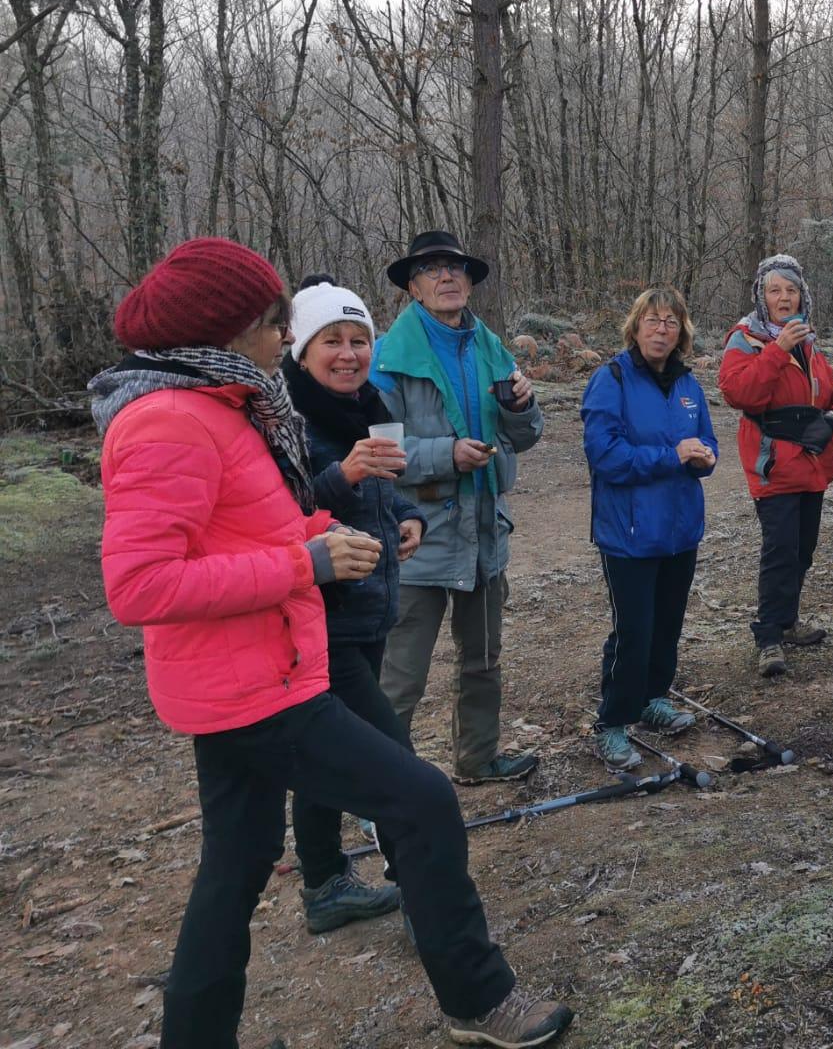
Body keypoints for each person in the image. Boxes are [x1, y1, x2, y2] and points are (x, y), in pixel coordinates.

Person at [91, 238, 573, 1049]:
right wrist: (303, 562)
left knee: (236, 866)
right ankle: (478, 999)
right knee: (421, 800)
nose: (282, 336)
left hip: (259, 671)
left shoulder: (224, 405)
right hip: (252, 686)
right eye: (273, 321)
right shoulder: (167, 421)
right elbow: (139, 587)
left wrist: (333, 534)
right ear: (223, 326)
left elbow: (257, 522)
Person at [279, 277, 423, 933]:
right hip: (319, 621)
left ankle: (326, 882)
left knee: (323, 758)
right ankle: (427, 890)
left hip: (370, 608)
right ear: (301, 350)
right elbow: (282, 512)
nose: (348, 353)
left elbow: (386, 492)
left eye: (359, 339)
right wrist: (346, 474)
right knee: (392, 758)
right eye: (331, 341)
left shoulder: (368, 403)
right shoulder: (283, 418)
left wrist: (407, 517)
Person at [372, 231, 543, 784]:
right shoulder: (388, 359)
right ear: (414, 288)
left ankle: (478, 757)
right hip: (418, 535)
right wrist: (446, 454)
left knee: (484, 658)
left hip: (485, 529)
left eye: (455, 268)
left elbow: (526, 434)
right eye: (432, 270)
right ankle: (383, 785)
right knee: (402, 674)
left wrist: (523, 405)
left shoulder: (492, 349)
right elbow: (378, 450)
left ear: (468, 282)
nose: (446, 277)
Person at [581, 287, 718, 769]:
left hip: (681, 528)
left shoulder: (688, 386)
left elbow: (706, 444)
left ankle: (653, 698)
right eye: (653, 320)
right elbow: (605, 455)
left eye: (672, 322)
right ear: (636, 326)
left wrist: (704, 458)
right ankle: (612, 722)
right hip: (629, 532)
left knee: (667, 623)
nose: (662, 329)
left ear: (682, 333)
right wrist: (672, 456)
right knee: (633, 630)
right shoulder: (611, 379)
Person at [719, 253, 833, 678]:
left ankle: (788, 620)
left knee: (802, 550)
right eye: (775, 290)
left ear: (803, 296)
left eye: (792, 290)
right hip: (773, 464)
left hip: (812, 462)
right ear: (761, 295)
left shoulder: (807, 339)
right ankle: (768, 637)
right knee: (779, 552)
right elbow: (740, 393)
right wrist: (777, 350)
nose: (784, 298)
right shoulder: (747, 338)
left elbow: (822, 389)